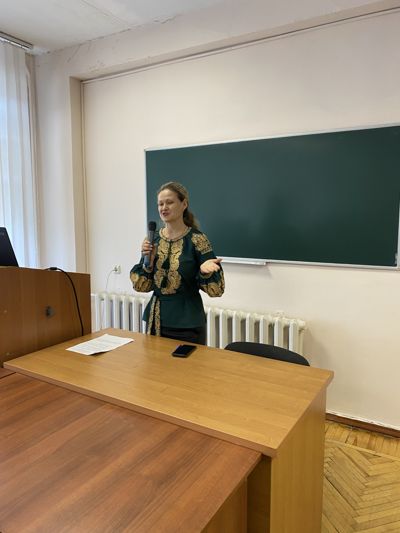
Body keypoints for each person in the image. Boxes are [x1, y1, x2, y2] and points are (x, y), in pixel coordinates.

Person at [130, 181, 224, 345]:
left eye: (169, 202)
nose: (164, 208)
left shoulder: (198, 239)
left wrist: (205, 272)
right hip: (156, 321)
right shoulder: (153, 239)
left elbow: (217, 290)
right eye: (160, 204)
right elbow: (141, 286)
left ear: (184, 204)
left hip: (188, 324)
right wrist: (148, 265)